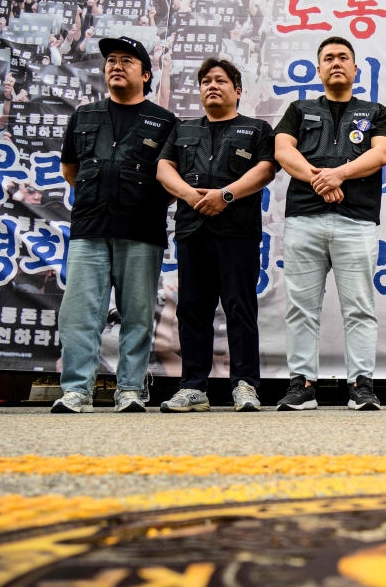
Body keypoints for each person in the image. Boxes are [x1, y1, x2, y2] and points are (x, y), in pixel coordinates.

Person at [52, 36, 177, 413]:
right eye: (111, 61)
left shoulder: (165, 122)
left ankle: (130, 389)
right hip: (89, 230)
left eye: (126, 61)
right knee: (79, 315)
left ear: (146, 73)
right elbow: (70, 169)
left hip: (141, 232)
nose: (116, 66)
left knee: (137, 315)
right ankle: (76, 391)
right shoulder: (84, 116)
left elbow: (170, 181)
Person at [273, 36, 386, 411]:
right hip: (304, 219)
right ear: (318, 69)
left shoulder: (375, 111)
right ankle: (302, 384)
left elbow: (382, 153)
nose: (336, 63)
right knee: (300, 306)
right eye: (328, 58)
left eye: (344, 57)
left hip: (355, 222)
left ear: (356, 69)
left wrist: (338, 175)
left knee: (359, 306)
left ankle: (361, 385)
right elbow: (282, 150)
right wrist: (319, 179)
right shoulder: (299, 109)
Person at [156, 58, 278, 412]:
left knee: (240, 308)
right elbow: (164, 167)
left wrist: (226, 195)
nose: (212, 86)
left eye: (221, 81)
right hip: (193, 231)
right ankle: (193, 386)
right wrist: (188, 194)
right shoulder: (182, 130)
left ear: (237, 91)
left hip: (237, 233)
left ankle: (245, 385)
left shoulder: (256, 129)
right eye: (206, 81)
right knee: (192, 309)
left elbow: (267, 169)